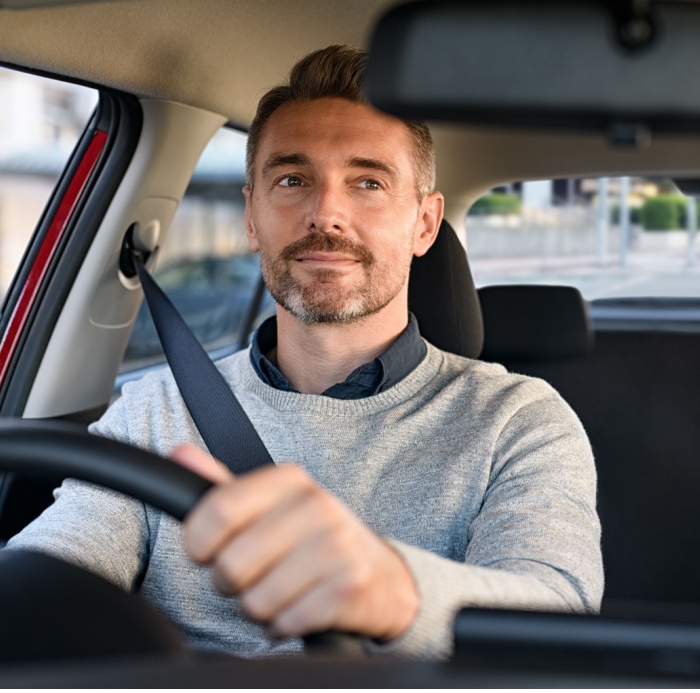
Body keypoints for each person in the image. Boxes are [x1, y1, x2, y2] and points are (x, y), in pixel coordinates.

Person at [7, 45, 603, 660]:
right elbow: (49, 573)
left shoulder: (518, 418)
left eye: (368, 182)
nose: (327, 214)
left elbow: (556, 610)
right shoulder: (153, 410)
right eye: (293, 180)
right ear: (252, 216)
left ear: (424, 225)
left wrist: (391, 588)